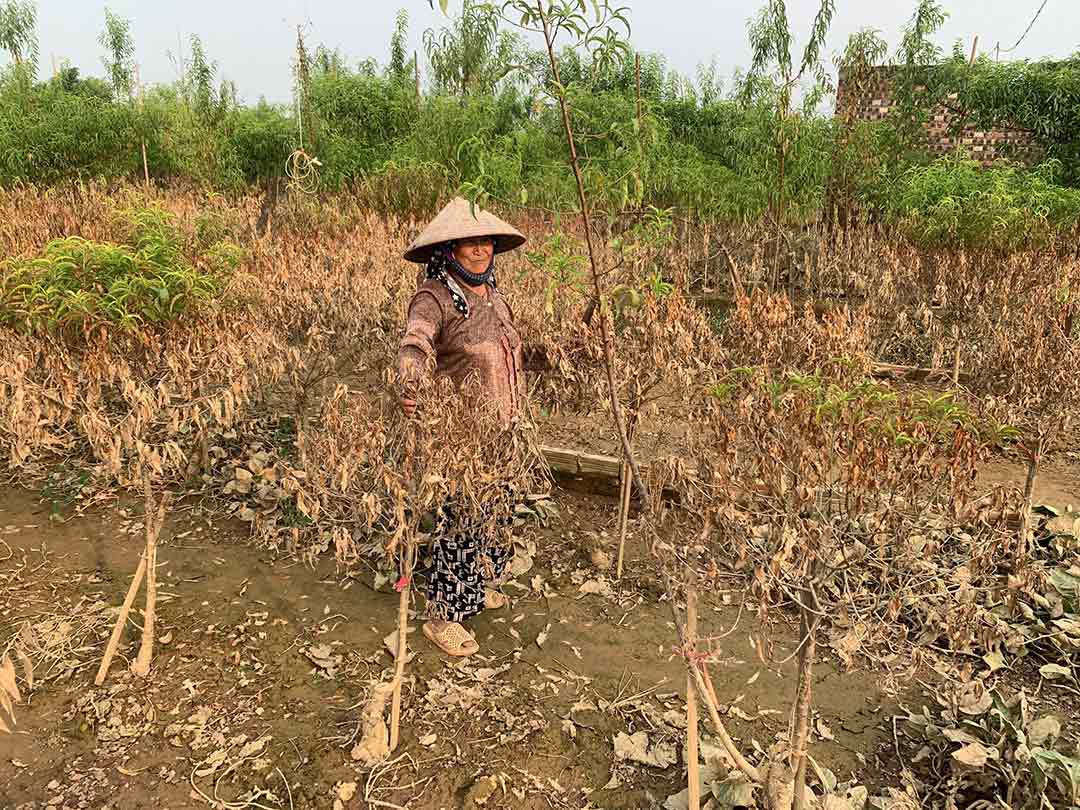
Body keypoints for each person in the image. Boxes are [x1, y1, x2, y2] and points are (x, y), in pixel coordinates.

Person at [396, 197, 528, 657]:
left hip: (505, 428)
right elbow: (415, 339)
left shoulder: (493, 296)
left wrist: (574, 350)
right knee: (462, 520)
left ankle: (476, 588)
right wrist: (410, 376)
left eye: (485, 240)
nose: (480, 249)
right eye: (470, 242)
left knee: (495, 513)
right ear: (449, 247)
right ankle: (443, 615)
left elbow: (513, 351)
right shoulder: (434, 296)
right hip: (463, 436)